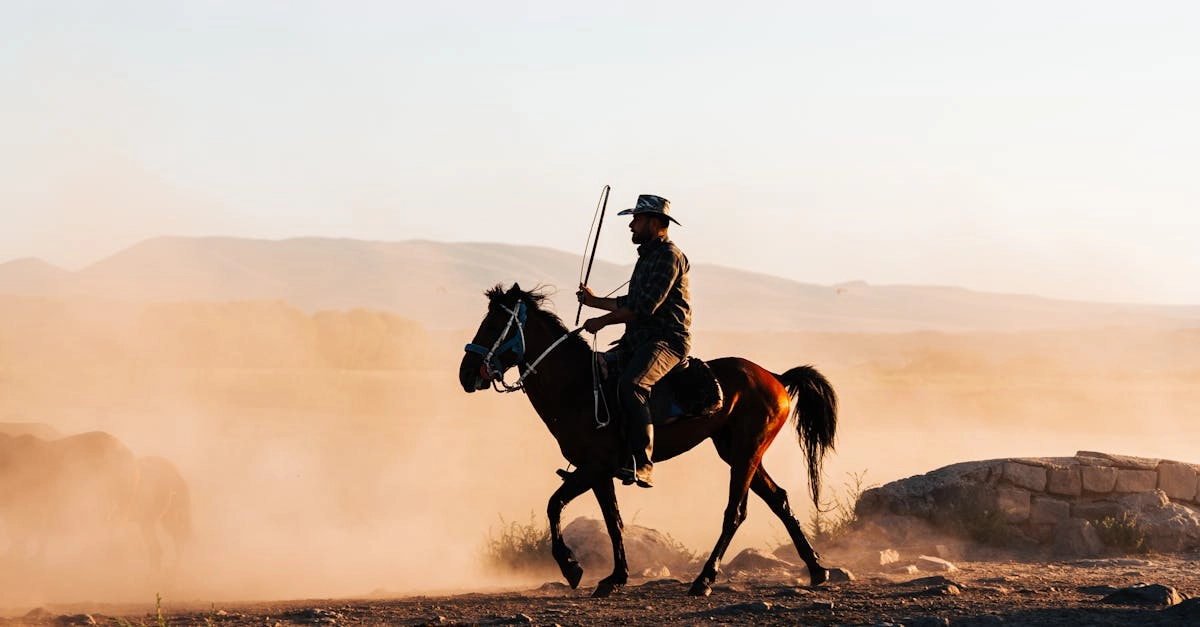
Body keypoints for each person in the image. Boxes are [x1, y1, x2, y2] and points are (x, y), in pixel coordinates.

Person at [576, 194, 691, 488]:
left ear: (654, 222)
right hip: (639, 342)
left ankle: (643, 463)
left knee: (632, 385)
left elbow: (643, 308)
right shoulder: (648, 257)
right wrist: (594, 302)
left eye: (636, 219)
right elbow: (632, 300)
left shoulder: (669, 256)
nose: (631, 225)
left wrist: (601, 321)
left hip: (666, 341)